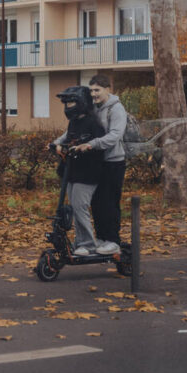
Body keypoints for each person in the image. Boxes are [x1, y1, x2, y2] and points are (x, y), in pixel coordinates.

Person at [72, 74, 126, 255]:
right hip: (97, 163)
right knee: (97, 203)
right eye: (91, 90)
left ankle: (113, 241)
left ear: (107, 89)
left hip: (113, 162)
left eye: (97, 90)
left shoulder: (116, 109)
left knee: (110, 203)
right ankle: (101, 238)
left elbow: (115, 136)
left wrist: (92, 144)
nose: (94, 94)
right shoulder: (94, 108)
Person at [51, 86, 106, 257]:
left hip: (88, 173)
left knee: (80, 207)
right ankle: (80, 242)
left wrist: (84, 148)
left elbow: (98, 145)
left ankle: (89, 244)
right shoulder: (74, 122)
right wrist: (57, 146)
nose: (68, 106)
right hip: (72, 171)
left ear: (82, 102)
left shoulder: (93, 122)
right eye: (66, 103)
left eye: (72, 102)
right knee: (73, 208)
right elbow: (68, 139)